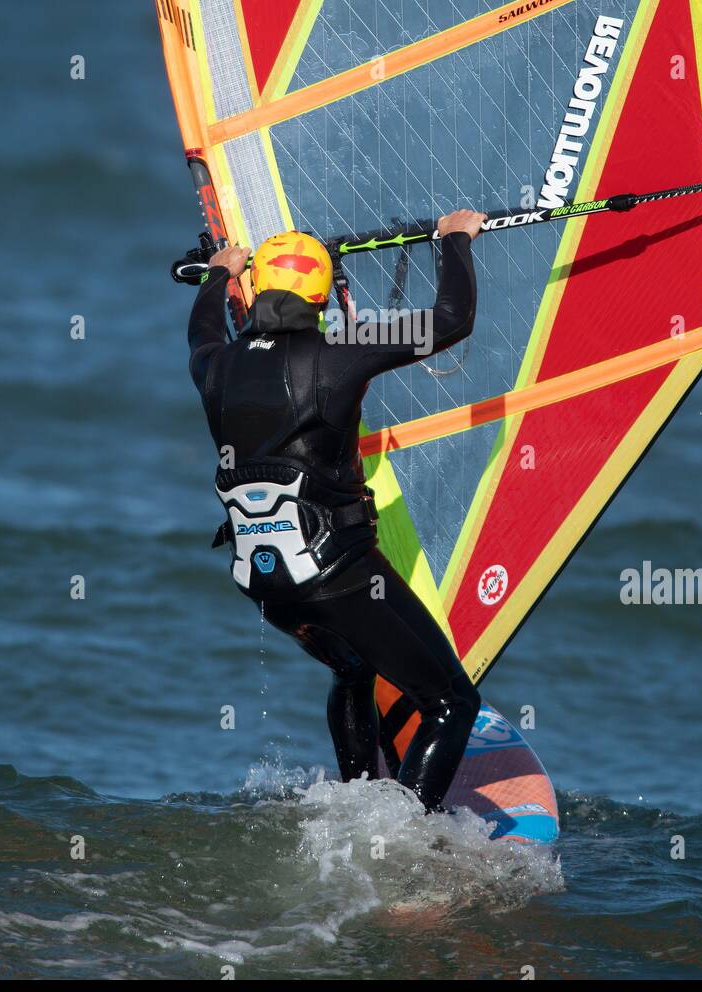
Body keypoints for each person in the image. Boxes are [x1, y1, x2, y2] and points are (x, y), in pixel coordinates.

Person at [188, 213, 485, 813]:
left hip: (266, 583)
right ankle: (405, 839)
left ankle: (357, 803)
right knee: (453, 703)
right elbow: (452, 320)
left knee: (352, 668)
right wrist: (453, 237)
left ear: (256, 291)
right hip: (337, 574)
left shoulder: (215, 366)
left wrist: (217, 275)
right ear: (321, 298)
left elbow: (199, 332)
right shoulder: (337, 355)